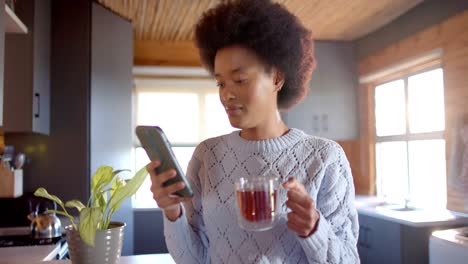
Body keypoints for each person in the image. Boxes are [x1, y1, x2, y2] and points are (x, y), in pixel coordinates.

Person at [147, 0, 360, 263]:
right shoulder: (207, 155)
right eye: (220, 83)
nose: (226, 95)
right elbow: (193, 259)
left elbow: (349, 259)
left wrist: (314, 228)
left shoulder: (326, 157)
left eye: (240, 80)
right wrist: (172, 212)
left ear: (277, 78)